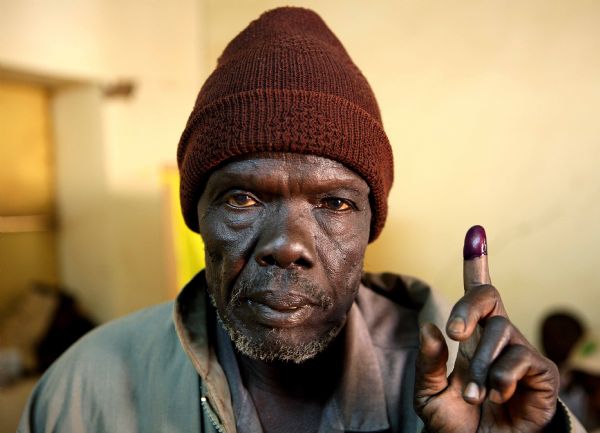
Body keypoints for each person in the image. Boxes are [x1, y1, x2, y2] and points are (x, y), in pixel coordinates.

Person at [18, 7, 585, 433]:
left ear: (370, 225)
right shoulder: (84, 390)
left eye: (334, 204)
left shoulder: (464, 382)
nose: (288, 245)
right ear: (198, 215)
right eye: (243, 198)